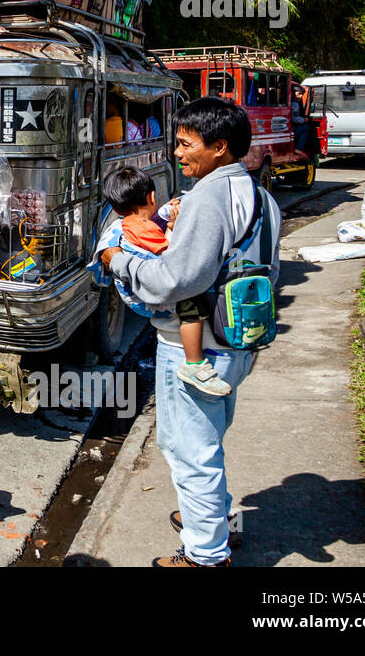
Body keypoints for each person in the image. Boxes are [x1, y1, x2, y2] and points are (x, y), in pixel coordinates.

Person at [100, 97, 281, 567]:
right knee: (202, 442)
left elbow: (176, 280)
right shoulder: (259, 195)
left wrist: (117, 260)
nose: (177, 154)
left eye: (185, 144)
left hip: (195, 349)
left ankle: (206, 555)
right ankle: (214, 520)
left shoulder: (207, 198)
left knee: (190, 449)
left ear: (219, 147)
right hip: (240, 339)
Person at [104, 167, 230, 397]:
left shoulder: (127, 225)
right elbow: (172, 257)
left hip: (136, 283)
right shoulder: (145, 228)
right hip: (156, 291)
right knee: (193, 305)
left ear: (114, 208)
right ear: (152, 197)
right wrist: (173, 227)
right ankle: (194, 364)